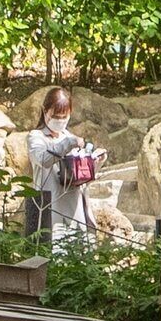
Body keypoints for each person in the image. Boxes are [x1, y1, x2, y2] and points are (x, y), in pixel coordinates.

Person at [24, 85, 100, 250]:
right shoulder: (36, 137)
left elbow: (81, 176)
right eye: (56, 116)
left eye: (64, 117)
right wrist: (69, 144)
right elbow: (43, 159)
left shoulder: (70, 137)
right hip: (48, 207)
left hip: (73, 206)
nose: (60, 121)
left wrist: (95, 162)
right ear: (45, 111)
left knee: (76, 256)